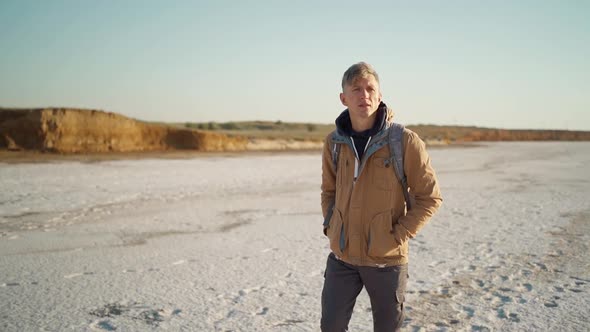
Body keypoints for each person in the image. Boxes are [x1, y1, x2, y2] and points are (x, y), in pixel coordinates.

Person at [320, 62, 443, 331]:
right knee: (330, 326)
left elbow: (430, 197)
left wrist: (397, 235)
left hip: (386, 261)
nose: (364, 95)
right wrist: (332, 226)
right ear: (344, 98)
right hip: (342, 258)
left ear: (379, 95)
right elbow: (329, 191)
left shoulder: (405, 141)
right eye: (356, 89)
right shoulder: (334, 143)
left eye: (370, 89)